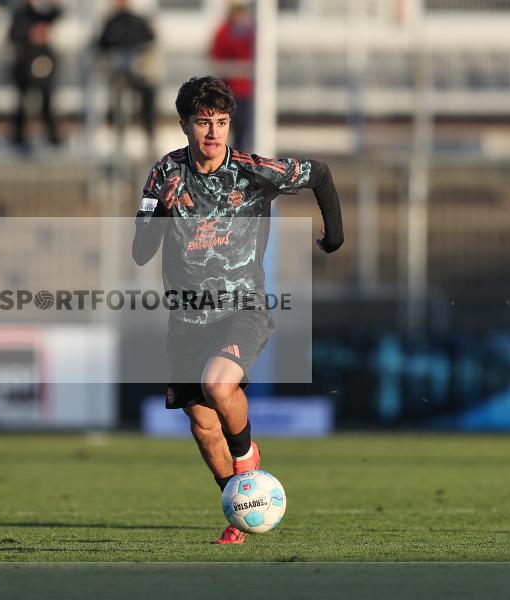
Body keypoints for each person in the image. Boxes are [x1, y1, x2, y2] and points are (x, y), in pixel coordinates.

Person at [132, 76, 344, 544]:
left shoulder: (252, 171)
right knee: (204, 426)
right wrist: (161, 216)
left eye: (222, 122)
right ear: (185, 125)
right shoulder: (163, 175)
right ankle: (243, 509)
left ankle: (250, 469)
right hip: (186, 318)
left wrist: (334, 236)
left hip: (241, 308)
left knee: (218, 383)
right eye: (203, 123)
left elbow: (320, 174)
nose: (213, 132)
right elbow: (141, 252)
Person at [97, 0, 159, 148]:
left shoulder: (138, 21)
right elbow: (101, 45)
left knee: (148, 94)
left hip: (138, 72)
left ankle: (149, 135)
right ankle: (118, 138)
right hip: (118, 74)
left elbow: (150, 41)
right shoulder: (111, 23)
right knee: (117, 100)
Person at [9, 0, 62, 148]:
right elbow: (13, 35)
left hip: (43, 61)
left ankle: (52, 137)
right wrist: (29, 34)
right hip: (25, 62)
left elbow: (57, 14)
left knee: (46, 99)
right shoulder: (20, 15)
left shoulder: (41, 13)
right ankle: (19, 136)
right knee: (23, 101)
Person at [210, 0, 254, 152]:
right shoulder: (225, 31)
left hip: (246, 90)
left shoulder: (250, 32)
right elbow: (217, 55)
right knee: (226, 129)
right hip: (229, 90)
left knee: (244, 131)